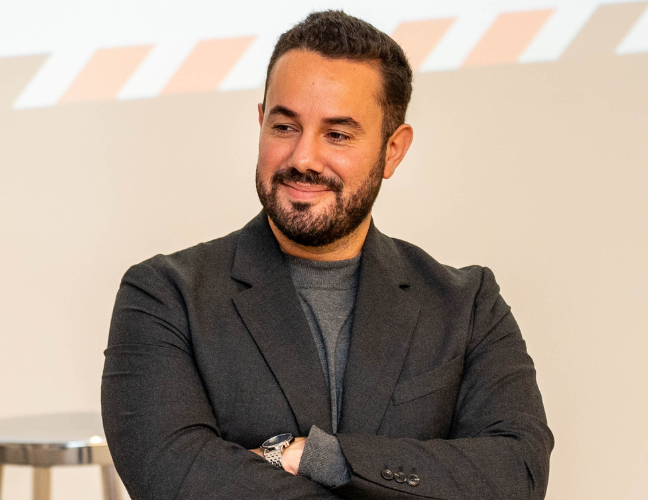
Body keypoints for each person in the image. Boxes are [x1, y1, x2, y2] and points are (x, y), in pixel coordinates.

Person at [102, 10, 553, 500]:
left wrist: (323, 458)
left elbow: (517, 473)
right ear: (260, 122)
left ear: (393, 150)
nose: (303, 158)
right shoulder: (165, 295)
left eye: (337, 134)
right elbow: (174, 477)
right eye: (284, 126)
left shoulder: (467, 304)